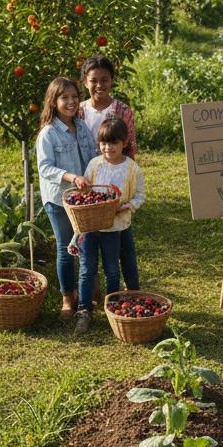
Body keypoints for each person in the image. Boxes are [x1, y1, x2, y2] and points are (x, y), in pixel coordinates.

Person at [36, 76, 99, 331]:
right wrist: (71, 177)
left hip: (82, 198)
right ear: (54, 101)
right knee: (65, 248)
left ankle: (85, 298)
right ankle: (67, 299)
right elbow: (45, 167)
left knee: (84, 245)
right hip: (59, 198)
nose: (71, 102)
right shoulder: (48, 133)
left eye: (74, 97)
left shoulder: (82, 127)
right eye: (65, 98)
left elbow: (93, 157)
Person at [77, 118, 146, 309]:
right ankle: (84, 308)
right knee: (86, 269)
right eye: (104, 143)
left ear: (124, 143)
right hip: (91, 225)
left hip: (114, 226)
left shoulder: (132, 169)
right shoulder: (94, 164)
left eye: (114, 143)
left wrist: (126, 206)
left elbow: (140, 196)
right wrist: (82, 187)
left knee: (112, 269)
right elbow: (86, 192)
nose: (108, 147)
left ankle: (112, 305)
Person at [78, 55, 138, 159]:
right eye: (93, 81)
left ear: (111, 80)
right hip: (83, 172)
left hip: (114, 171)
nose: (99, 85)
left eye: (104, 80)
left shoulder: (122, 111)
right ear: (85, 82)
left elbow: (130, 146)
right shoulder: (78, 111)